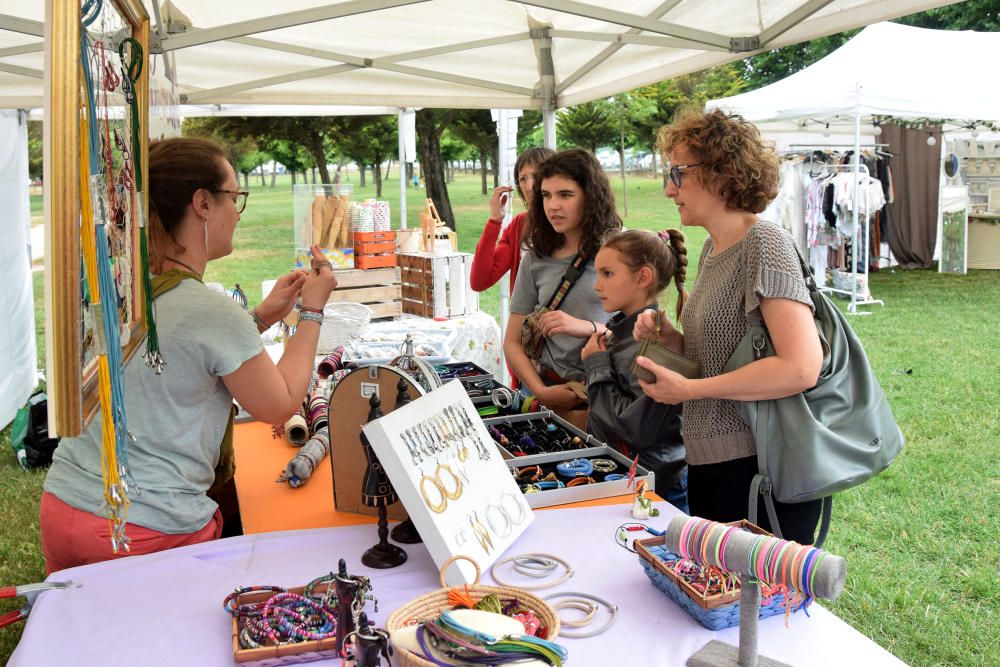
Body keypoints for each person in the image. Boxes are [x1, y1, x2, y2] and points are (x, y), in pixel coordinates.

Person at [40, 137, 338, 573]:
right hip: (140, 530)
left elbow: (177, 358)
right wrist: (311, 312)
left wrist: (257, 319)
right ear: (203, 202)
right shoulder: (208, 310)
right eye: (234, 198)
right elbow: (280, 403)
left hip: (64, 508)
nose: (237, 213)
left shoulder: (124, 290)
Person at [633, 108, 825, 544]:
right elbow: (722, 357)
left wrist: (691, 390)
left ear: (722, 172)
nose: (668, 189)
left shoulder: (765, 243)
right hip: (713, 462)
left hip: (761, 470)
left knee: (754, 607)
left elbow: (800, 367)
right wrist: (671, 339)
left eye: (678, 173)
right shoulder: (713, 250)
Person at [504, 149, 622, 420]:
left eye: (565, 195)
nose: (553, 205)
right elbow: (511, 342)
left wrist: (587, 328)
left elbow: (643, 335)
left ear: (590, 196)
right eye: (546, 195)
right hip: (548, 395)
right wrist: (540, 392)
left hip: (607, 399)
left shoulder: (620, 251)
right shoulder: (535, 258)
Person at [582, 229, 688, 512]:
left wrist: (596, 365)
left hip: (657, 491)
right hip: (633, 482)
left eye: (608, 274)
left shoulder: (652, 344)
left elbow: (633, 428)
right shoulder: (621, 334)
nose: (597, 285)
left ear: (643, 277)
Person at [470, 147, 555, 292]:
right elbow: (480, 281)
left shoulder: (570, 224)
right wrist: (494, 221)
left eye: (536, 175)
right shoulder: (519, 226)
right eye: (523, 179)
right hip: (523, 314)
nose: (529, 186)